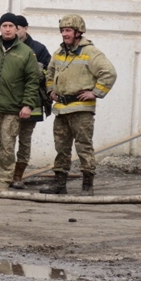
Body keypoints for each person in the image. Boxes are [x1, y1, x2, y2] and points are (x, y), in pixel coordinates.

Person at [40, 14, 117, 196]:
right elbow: (49, 74)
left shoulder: (91, 52)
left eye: (68, 30)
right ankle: (60, 184)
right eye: (62, 31)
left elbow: (109, 73)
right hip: (61, 109)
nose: (64, 34)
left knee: (83, 147)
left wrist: (95, 92)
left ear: (78, 32)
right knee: (61, 148)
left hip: (81, 110)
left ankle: (87, 186)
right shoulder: (59, 53)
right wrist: (51, 91)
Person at [0, 13, 41, 191]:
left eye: (10, 26)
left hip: (13, 109)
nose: (7, 29)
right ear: (0, 28)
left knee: (7, 147)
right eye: (4, 25)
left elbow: (32, 80)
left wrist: (27, 104)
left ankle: (4, 181)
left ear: (16, 28)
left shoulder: (26, 53)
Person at [12, 14, 52, 190]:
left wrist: (35, 70)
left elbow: (49, 74)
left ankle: (18, 175)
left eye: (17, 28)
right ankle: (5, 175)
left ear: (25, 29)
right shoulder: (7, 47)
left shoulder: (39, 49)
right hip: (10, 103)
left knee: (25, 141)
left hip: (32, 105)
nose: (13, 31)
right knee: (6, 140)